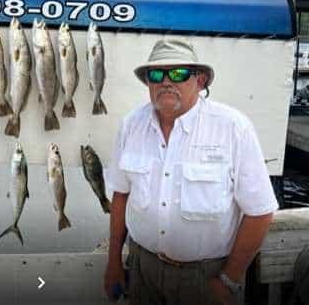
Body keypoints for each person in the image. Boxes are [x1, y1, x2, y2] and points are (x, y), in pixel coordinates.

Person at [103, 38, 278, 305]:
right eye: (157, 74)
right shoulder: (130, 126)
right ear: (148, 82)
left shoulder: (234, 128)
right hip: (142, 270)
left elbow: (260, 211)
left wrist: (229, 280)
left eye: (178, 73)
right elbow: (120, 197)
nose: (166, 81)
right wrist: (114, 261)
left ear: (201, 81)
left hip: (205, 276)